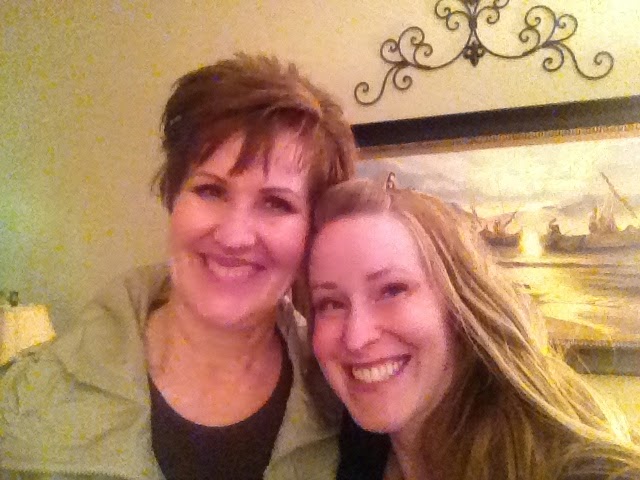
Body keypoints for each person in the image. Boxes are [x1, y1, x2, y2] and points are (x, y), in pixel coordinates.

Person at [0, 53, 356, 480]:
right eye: (210, 191)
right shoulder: (23, 402)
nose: (234, 236)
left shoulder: (347, 403)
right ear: (173, 198)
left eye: (276, 203)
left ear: (311, 231)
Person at [306, 179, 640, 480]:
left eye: (392, 290)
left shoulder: (578, 468)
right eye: (330, 303)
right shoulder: (345, 451)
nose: (356, 337)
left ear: (459, 305)